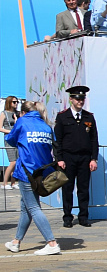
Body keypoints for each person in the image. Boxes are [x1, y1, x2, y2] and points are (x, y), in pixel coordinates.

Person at [4, 101, 60, 255]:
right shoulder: (46, 125)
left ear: (23, 112)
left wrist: (16, 124)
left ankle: (51, 242)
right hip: (42, 172)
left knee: (34, 208)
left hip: (26, 171)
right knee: (26, 208)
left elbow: (10, 140)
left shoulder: (22, 122)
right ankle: (16, 242)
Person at [53, 84, 101, 228]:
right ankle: (67, 217)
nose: (80, 101)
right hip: (68, 158)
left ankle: (83, 216)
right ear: (71, 99)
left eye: (82, 99)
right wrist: (59, 158)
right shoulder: (62, 117)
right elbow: (57, 140)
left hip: (84, 158)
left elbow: (94, 139)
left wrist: (94, 158)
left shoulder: (89, 117)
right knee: (67, 188)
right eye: (77, 98)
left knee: (83, 188)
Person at [1, 96, 19, 189]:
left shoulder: (17, 113)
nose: (16, 104)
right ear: (9, 103)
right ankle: (4, 183)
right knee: (13, 161)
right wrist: (11, 132)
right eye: (14, 102)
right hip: (8, 138)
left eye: (17, 102)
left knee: (17, 161)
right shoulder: (4, 113)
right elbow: (0, 128)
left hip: (16, 138)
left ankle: (13, 182)